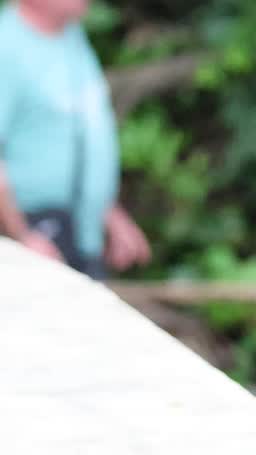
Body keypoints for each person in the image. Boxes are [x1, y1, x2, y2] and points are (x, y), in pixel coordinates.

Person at [0, 0, 150, 279]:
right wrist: (21, 236)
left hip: (82, 232)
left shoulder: (71, 35)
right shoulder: (6, 47)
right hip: (35, 234)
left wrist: (108, 212)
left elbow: (78, 134)